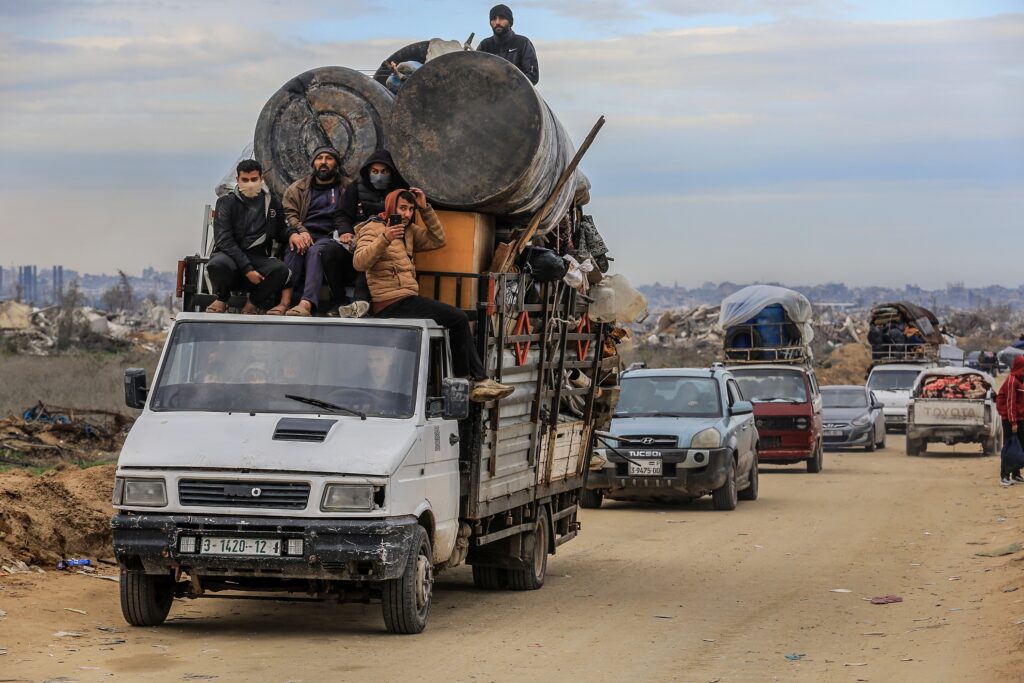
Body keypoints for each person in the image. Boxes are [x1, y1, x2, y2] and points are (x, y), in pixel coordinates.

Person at [353, 188, 513, 403]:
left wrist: (425, 208)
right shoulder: (373, 228)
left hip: (406, 297)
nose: (407, 214)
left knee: (458, 318)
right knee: (458, 318)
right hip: (390, 301)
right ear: (390, 207)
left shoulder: (408, 230)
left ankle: (477, 380)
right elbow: (360, 262)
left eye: (410, 209)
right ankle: (470, 381)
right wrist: (385, 238)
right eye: (403, 208)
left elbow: (437, 240)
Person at [321, 149, 410, 318]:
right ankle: (339, 301)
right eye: (375, 172)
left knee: (370, 256)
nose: (379, 176)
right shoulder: (357, 186)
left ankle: (362, 303)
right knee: (329, 252)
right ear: (368, 172)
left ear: (391, 171)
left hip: (385, 243)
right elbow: (342, 213)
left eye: (384, 172)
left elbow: (408, 218)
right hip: (357, 240)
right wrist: (345, 231)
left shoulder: (400, 190)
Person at [205, 160, 290, 314]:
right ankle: (222, 298)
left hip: (258, 257)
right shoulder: (226, 202)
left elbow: (280, 231)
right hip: (230, 255)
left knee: (281, 270)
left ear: (261, 179)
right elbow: (224, 239)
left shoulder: (272, 203)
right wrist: (247, 269)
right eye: (245, 180)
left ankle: (253, 302)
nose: (250, 184)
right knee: (216, 264)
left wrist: (294, 234)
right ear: (238, 180)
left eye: (253, 179)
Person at [280, 145, 347, 317]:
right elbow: (290, 213)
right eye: (319, 158)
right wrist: (301, 232)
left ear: (336, 163)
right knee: (294, 248)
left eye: (329, 158)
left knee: (315, 252)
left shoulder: (346, 188)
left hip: (331, 237)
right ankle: (283, 303)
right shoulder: (297, 188)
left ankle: (306, 304)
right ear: (313, 163)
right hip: (305, 232)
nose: (323, 162)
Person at [477, 4, 539, 85]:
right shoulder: (484, 45)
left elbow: (533, 75)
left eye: (502, 18)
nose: (497, 22)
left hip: (517, 96)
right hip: (489, 96)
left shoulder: (523, 43)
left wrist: (508, 84)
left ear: (510, 21)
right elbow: (475, 75)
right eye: (494, 19)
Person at [996, 356, 1024, 486]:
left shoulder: (1021, 379)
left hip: (1020, 418)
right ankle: (1005, 476)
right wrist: (1013, 422)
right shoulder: (1012, 380)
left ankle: (1016, 474)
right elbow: (1010, 403)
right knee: (1009, 447)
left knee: (1020, 446)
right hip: (1010, 419)